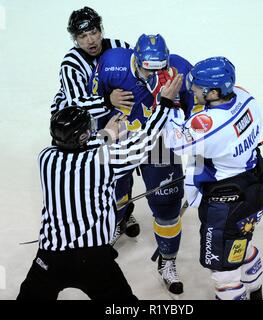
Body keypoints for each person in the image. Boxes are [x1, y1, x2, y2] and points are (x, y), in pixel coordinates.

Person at [17, 74, 183, 300]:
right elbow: (145, 140)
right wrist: (164, 104)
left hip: (49, 256)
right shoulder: (106, 160)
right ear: (86, 135)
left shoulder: (46, 158)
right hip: (93, 259)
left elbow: (75, 148)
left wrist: (107, 136)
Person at [88, 34, 194, 295]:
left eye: (160, 69)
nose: (153, 76)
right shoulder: (111, 63)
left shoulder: (180, 70)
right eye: (148, 69)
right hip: (118, 140)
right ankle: (120, 220)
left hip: (159, 146)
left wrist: (201, 157)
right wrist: (106, 102)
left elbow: (197, 116)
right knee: (113, 195)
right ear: (136, 59)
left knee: (167, 208)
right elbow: (89, 108)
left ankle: (167, 260)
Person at [164, 56, 263, 300]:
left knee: (224, 274)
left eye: (198, 87)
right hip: (256, 185)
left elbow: (174, 142)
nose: (192, 88)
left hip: (228, 202)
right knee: (241, 243)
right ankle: (256, 295)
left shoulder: (211, 124)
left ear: (213, 93)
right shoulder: (244, 96)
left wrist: (167, 104)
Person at [50, 6, 140, 241]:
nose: (90, 40)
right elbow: (76, 107)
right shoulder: (71, 63)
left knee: (123, 168)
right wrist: (107, 99)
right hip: (88, 126)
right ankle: (105, 217)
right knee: (99, 173)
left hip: (118, 117)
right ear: (75, 39)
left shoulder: (121, 47)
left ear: (101, 29)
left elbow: (141, 78)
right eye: (82, 36)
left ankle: (124, 211)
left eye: (93, 32)